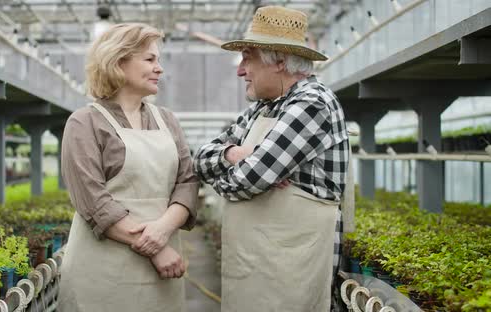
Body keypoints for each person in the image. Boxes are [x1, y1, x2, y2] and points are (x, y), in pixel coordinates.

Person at [194, 6, 349, 312]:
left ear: (278, 61)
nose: (240, 70)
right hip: (257, 264)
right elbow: (200, 159)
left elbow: (245, 181)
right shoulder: (262, 108)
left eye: (247, 58)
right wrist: (234, 154)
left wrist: (240, 174)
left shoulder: (312, 102)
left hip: (289, 270)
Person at [58, 23, 199, 312]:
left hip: (163, 270)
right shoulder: (84, 122)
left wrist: (163, 230)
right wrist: (157, 247)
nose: (159, 68)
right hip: (104, 268)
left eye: (158, 60)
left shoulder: (167, 120)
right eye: (149, 59)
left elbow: (187, 183)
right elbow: (92, 200)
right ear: (118, 62)